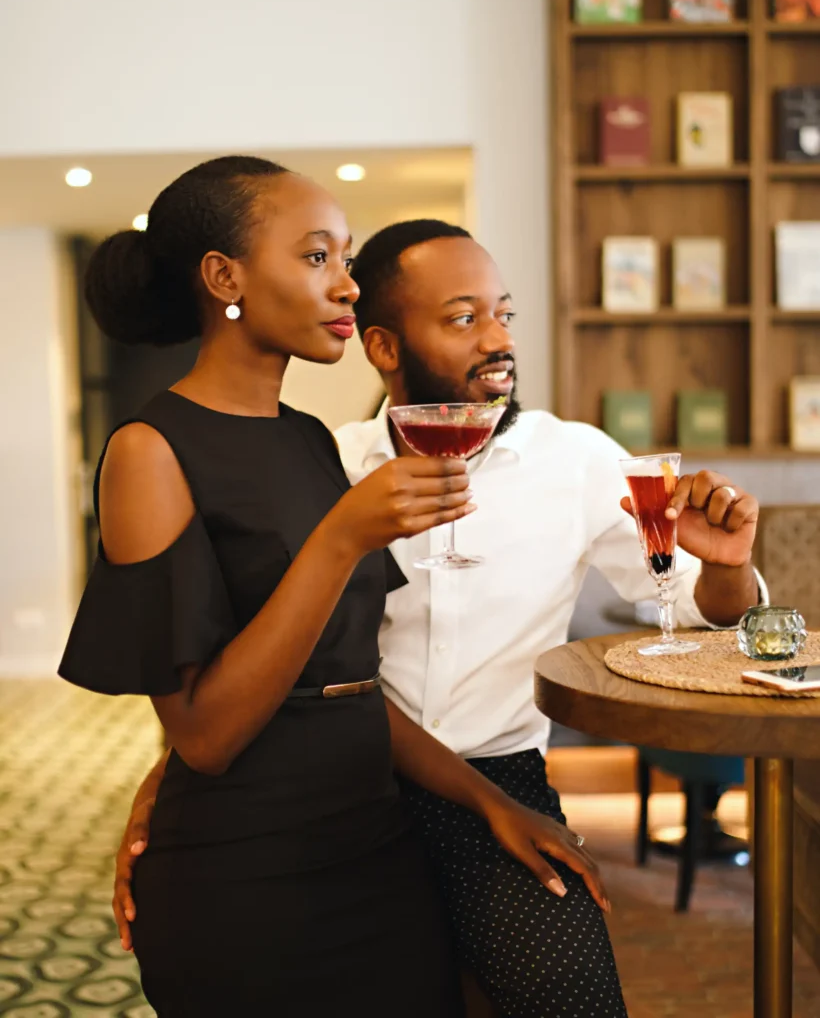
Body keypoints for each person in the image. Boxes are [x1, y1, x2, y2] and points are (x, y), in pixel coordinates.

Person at [112, 219, 763, 1017]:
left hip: (497, 778)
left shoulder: (578, 460)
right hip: (335, 772)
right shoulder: (332, 464)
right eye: (463, 318)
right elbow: (251, 654)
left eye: (504, 315)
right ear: (383, 348)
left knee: (569, 997)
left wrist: (727, 566)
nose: (498, 340)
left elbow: (700, 611)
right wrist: (167, 781)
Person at [60, 163, 610, 1017]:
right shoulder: (149, 450)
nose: (347, 284)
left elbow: (345, 686)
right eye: (318, 256)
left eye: (345, 257)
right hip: (246, 874)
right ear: (224, 278)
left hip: (371, 850)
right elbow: (204, 737)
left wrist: (492, 803)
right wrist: (343, 535)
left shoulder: (310, 440)